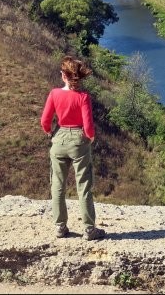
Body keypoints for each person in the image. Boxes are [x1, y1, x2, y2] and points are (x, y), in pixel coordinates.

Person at [41, 55, 105, 240]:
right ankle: (89, 230)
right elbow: (88, 125)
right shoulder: (83, 97)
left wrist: (49, 132)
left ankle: (60, 227)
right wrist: (90, 138)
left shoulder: (54, 94)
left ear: (63, 76)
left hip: (59, 138)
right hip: (78, 140)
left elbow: (45, 120)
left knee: (57, 185)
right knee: (83, 186)